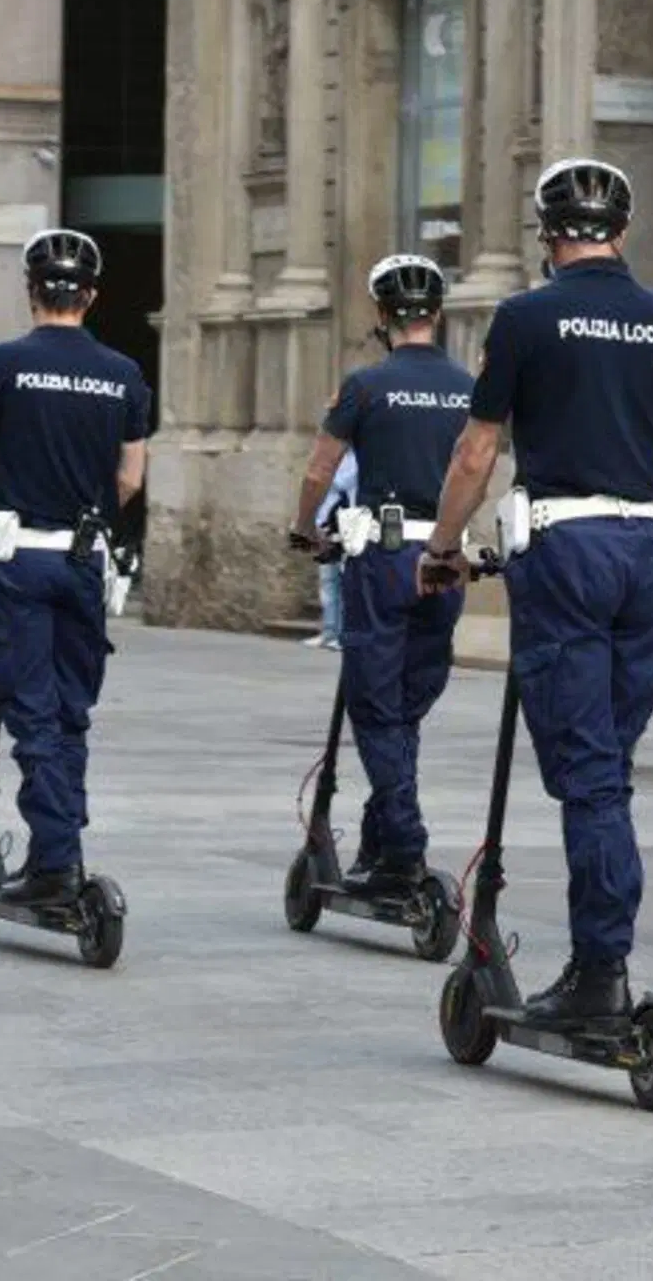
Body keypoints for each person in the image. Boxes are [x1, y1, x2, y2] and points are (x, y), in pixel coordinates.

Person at [420, 158, 653, 1030]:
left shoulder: (527, 316)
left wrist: (442, 547)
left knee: (589, 778)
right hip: (651, 550)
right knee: (606, 766)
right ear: (623, 227)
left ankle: (600, 971)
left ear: (547, 232)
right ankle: (600, 952)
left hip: (569, 549)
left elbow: (476, 452)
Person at [0, 228, 150, 908]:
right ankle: (63, 840)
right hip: (84, 559)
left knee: (30, 709)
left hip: (19, 558)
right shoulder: (123, 372)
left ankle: (55, 860)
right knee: (71, 709)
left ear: (31, 292)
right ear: (91, 295)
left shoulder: (0, 363)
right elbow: (130, 478)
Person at [291, 255, 473, 892]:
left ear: (380, 314)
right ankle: (381, 842)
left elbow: (321, 469)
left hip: (385, 557)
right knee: (405, 708)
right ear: (438, 313)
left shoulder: (365, 385)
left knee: (373, 705)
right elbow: (478, 466)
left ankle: (405, 839)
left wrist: (305, 527)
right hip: (444, 556)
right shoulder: (467, 386)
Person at [304, 448, 358, 650]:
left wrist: (322, 474)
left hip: (351, 521)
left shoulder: (359, 456)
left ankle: (343, 633)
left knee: (346, 580)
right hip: (328, 521)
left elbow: (341, 482)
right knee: (328, 580)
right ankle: (329, 631)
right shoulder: (335, 456)